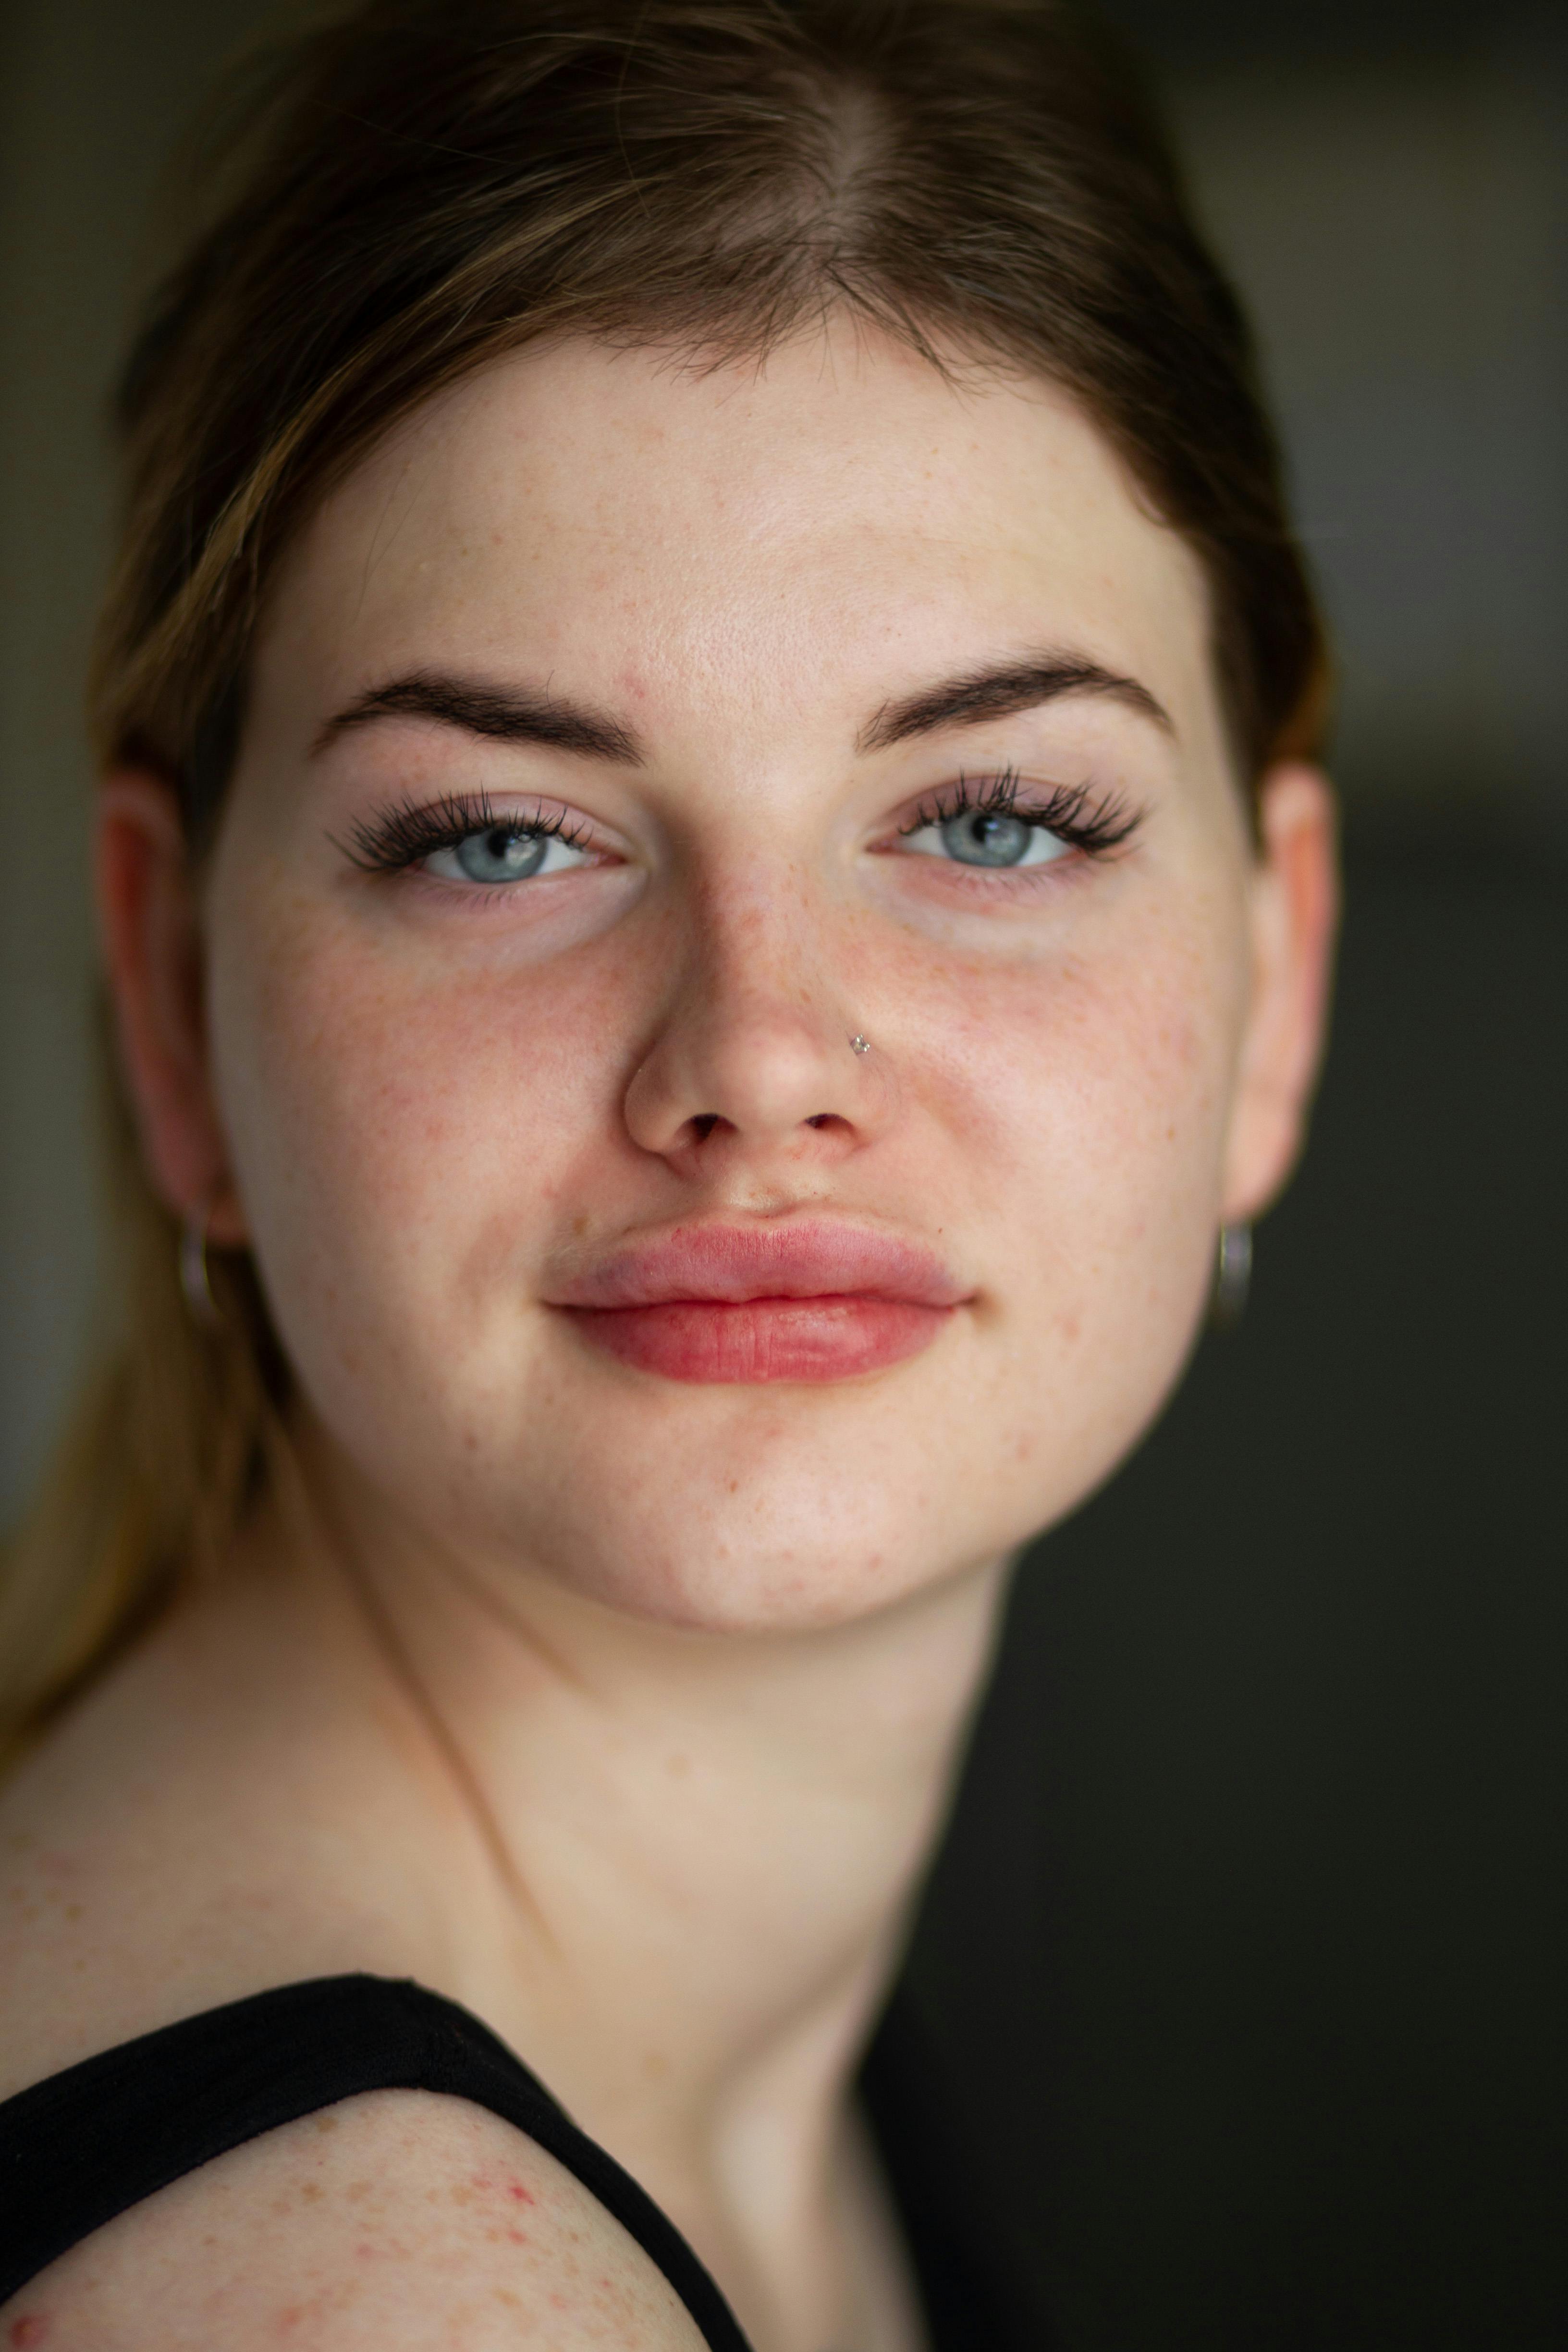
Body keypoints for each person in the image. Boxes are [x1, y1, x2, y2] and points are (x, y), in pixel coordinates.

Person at [0, 0, 1337, 2341]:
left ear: (1279, 969)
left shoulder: (722, 2012)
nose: (759, 1061)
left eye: (993, 820)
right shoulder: (363, 2284)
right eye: (502, 839)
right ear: (171, 999)